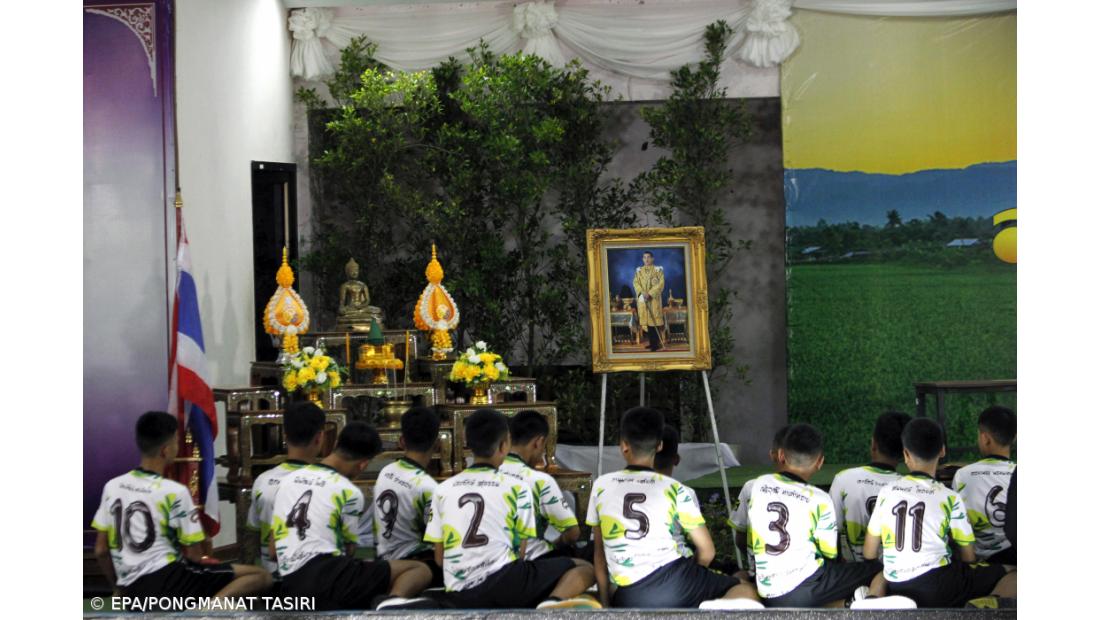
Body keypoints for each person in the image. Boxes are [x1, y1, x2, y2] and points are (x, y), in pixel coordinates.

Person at [588, 407, 760, 609]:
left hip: (628, 594)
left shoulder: (601, 485)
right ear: (659, 445)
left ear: (623, 446)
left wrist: (607, 605)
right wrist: (694, 576)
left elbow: (599, 555)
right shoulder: (674, 489)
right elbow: (707, 552)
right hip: (676, 581)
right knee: (746, 591)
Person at [425, 408, 598, 609]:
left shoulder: (442, 489)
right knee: (585, 569)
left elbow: (440, 558)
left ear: (467, 443)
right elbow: (520, 554)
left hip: (459, 592)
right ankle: (550, 604)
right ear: (504, 444)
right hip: (507, 586)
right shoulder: (518, 488)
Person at [92, 411, 272, 599]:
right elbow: (195, 557)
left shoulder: (112, 487)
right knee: (260, 576)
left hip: (132, 589)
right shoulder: (174, 491)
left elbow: (101, 550)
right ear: (166, 450)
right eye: (177, 441)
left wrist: (119, 589)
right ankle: (208, 611)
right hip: (170, 582)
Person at [270, 422, 433, 610]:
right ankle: (390, 604)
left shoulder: (288, 481)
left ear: (335, 444)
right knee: (418, 569)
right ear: (363, 464)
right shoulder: (348, 491)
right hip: (329, 582)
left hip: (291, 587)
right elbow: (348, 550)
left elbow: (274, 551)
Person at [864, 418, 1016, 607]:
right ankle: (986, 605)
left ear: (905, 454)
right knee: (1012, 571)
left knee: (883, 571)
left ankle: (871, 600)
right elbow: (969, 556)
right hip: (940, 586)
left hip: (897, 584)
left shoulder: (887, 492)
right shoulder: (949, 497)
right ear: (942, 451)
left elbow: (869, 551)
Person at [747, 423, 881, 607]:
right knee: (877, 569)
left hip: (767, 589)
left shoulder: (759, 484)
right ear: (820, 462)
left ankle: (849, 603)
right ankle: (859, 603)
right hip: (805, 588)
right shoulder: (820, 499)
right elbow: (829, 552)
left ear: (780, 455)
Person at [245, 401, 326, 574]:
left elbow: (252, 534)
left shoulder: (262, 480)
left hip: (270, 579)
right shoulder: (328, 485)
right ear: (319, 437)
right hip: (313, 579)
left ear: (285, 435)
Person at [371, 407, 444, 586]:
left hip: (381, 556)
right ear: (437, 445)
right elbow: (435, 538)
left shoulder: (386, 471)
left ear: (402, 441)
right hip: (412, 561)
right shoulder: (428, 487)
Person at [829, 411, 910, 562]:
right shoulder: (910, 488)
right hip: (898, 576)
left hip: (854, 574)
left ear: (873, 444)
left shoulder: (844, 479)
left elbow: (831, 534)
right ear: (905, 453)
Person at [499, 410, 581, 559]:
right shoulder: (539, 481)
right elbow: (572, 533)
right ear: (539, 442)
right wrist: (557, 544)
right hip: (531, 560)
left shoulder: (488, 473)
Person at [951, 405, 1017, 564]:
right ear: (1014, 437)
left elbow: (957, 526)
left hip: (977, 565)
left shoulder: (963, 475)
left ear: (985, 438)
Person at [730, 425, 789, 576]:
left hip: (758, 576)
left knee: (736, 577)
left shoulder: (751, 487)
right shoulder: (815, 496)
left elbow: (740, 539)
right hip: (801, 582)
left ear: (773, 455)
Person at [633, 251, 665, 352]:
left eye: (648, 257)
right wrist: (642, 292)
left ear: (652, 259)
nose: (646, 259)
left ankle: (656, 344)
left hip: (653, 300)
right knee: (647, 322)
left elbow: (660, 284)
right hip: (643, 300)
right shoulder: (639, 271)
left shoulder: (658, 270)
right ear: (643, 259)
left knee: (653, 322)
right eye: (644, 257)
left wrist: (650, 293)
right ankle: (651, 343)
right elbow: (635, 283)